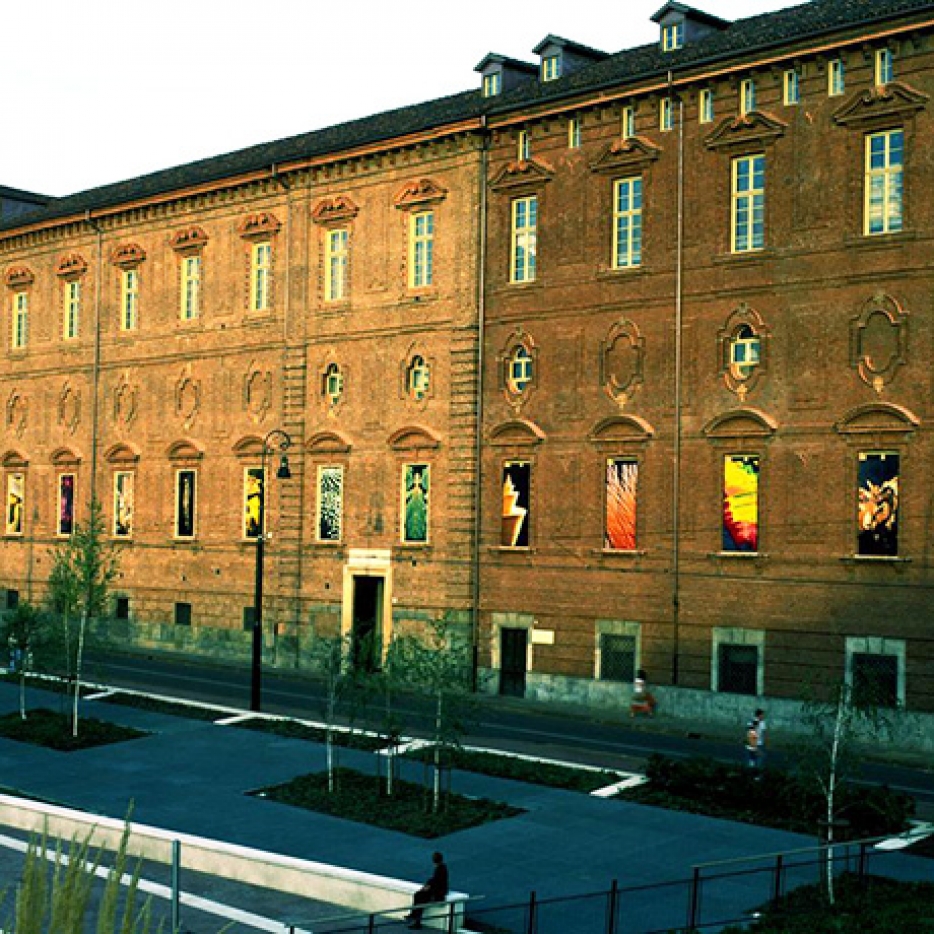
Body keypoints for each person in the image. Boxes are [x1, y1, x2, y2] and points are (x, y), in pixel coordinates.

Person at [405, 851, 449, 929]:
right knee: (418, 895)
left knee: (420, 899)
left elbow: (436, 882)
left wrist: (427, 888)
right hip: (437, 890)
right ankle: (414, 914)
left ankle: (417, 920)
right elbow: (434, 880)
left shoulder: (440, 869)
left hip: (437, 893)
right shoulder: (441, 868)